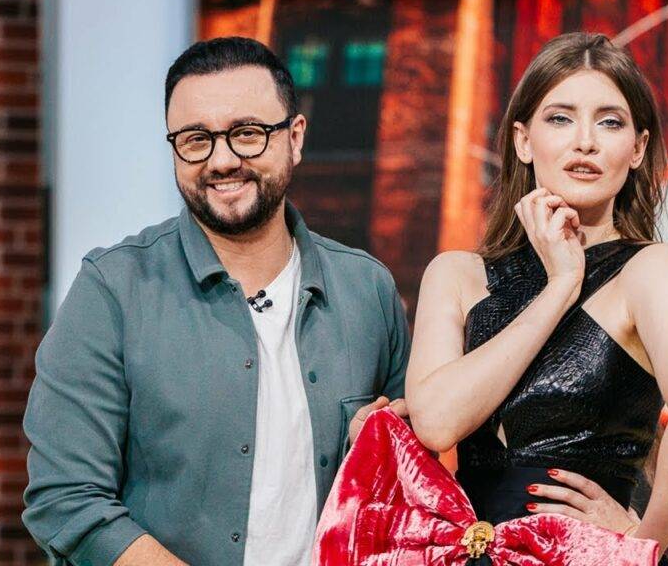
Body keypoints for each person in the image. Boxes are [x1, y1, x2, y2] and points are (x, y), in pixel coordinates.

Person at [316, 32, 668, 563]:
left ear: (638, 149)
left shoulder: (649, 270)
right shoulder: (457, 274)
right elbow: (438, 421)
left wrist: (638, 547)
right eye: (560, 118)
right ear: (522, 140)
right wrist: (560, 286)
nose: (585, 142)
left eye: (610, 122)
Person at [22, 37, 409, 566]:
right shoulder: (113, 289)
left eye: (248, 133)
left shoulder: (368, 290)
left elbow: (413, 494)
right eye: (196, 139)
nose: (222, 160)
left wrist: (384, 453)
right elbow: (66, 499)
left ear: (295, 137)